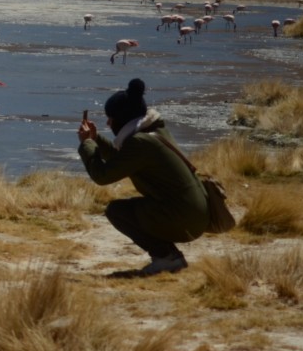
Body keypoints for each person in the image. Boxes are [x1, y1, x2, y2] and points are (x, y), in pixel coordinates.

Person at [77, 78, 209, 275]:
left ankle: (166, 258)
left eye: (111, 118)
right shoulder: (153, 130)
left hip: (184, 217)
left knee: (117, 211)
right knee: (128, 209)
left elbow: (102, 176)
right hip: (196, 212)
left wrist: (87, 144)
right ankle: (170, 257)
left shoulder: (139, 143)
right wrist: (96, 139)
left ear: (122, 119)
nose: (108, 122)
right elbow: (123, 160)